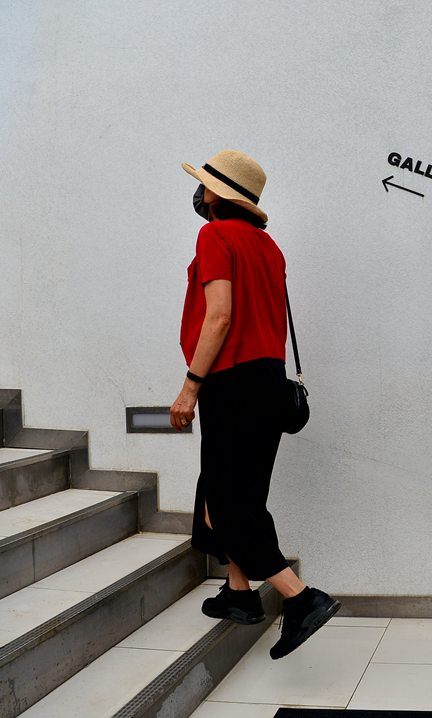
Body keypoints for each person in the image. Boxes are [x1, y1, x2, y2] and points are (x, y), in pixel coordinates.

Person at [171, 149, 339, 660]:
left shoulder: (215, 235)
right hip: (268, 381)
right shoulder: (269, 246)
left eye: (203, 184)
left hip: (232, 382)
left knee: (227, 505)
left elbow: (219, 317)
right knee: (231, 491)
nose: (198, 192)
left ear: (217, 194)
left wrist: (190, 386)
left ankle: (301, 598)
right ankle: (239, 593)